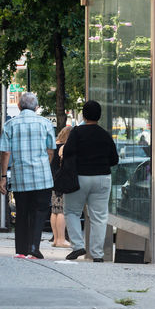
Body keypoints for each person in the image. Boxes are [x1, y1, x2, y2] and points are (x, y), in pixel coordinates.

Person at [0, 92, 56, 259]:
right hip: (42, 177)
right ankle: (34, 247)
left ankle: (21, 250)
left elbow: (5, 153)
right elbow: (51, 151)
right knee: (39, 212)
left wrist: (3, 177)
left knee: (22, 212)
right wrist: (46, 164)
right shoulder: (45, 124)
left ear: (19, 106)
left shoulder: (10, 125)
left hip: (20, 177)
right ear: (36, 107)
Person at [62, 101, 119, 262]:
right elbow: (114, 159)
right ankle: (97, 254)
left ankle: (78, 245)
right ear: (99, 116)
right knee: (99, 217)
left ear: (84, 115)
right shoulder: (105, 135)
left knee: (72, 212)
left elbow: (67, 152)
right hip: (102, 178)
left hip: (79, 177)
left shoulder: (77, 132)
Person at [50, 126, 73, 248]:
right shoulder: (64, 148)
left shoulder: (54, 145)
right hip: (62, 180)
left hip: (53, 180)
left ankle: (55, 239)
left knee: (54, 210)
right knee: (62, 211)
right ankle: (61, 239)